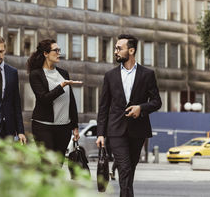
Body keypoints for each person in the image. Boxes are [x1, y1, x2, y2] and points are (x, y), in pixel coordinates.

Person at [96, 34, 161, 197]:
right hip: (116, 130)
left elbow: (156, 101)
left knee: (130, 169)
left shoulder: (147, 74)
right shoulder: (110, 76)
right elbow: (103, 107)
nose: (115, 51)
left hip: (138, 130)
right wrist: (100, 134)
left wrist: (141, 108)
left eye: (119, 48)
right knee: (124, 168)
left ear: (131, 51)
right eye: (115, 48)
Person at [27, 39, 81, 161]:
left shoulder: (63, 73)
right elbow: (44, 99)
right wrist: (61, 86)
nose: (59, 53)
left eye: (59, 50)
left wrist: (75, 126)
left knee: (58, 165)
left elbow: (71, 101)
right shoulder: (36, 74)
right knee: (48, 164)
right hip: (43, 127)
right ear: (46, 54)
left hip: (64, 128)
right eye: (55, 50)